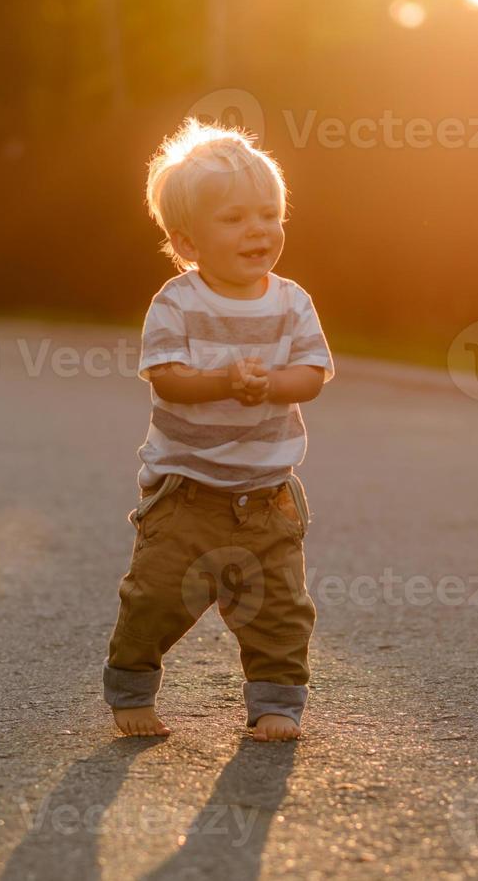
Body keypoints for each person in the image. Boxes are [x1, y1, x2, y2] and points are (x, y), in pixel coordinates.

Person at [103, 118, 334, 742]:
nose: (257, 230)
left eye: (268, 214)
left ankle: (276, 705)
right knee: (156, 598)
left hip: (268, 496)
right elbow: (169, 378)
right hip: (188, 491)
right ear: (187, 240)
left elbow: (312, 373)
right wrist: (226, 382)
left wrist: (272, 384)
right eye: (234, 219)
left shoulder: (292, 301)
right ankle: (130, 682)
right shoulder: (177, 302)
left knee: (283, 611)